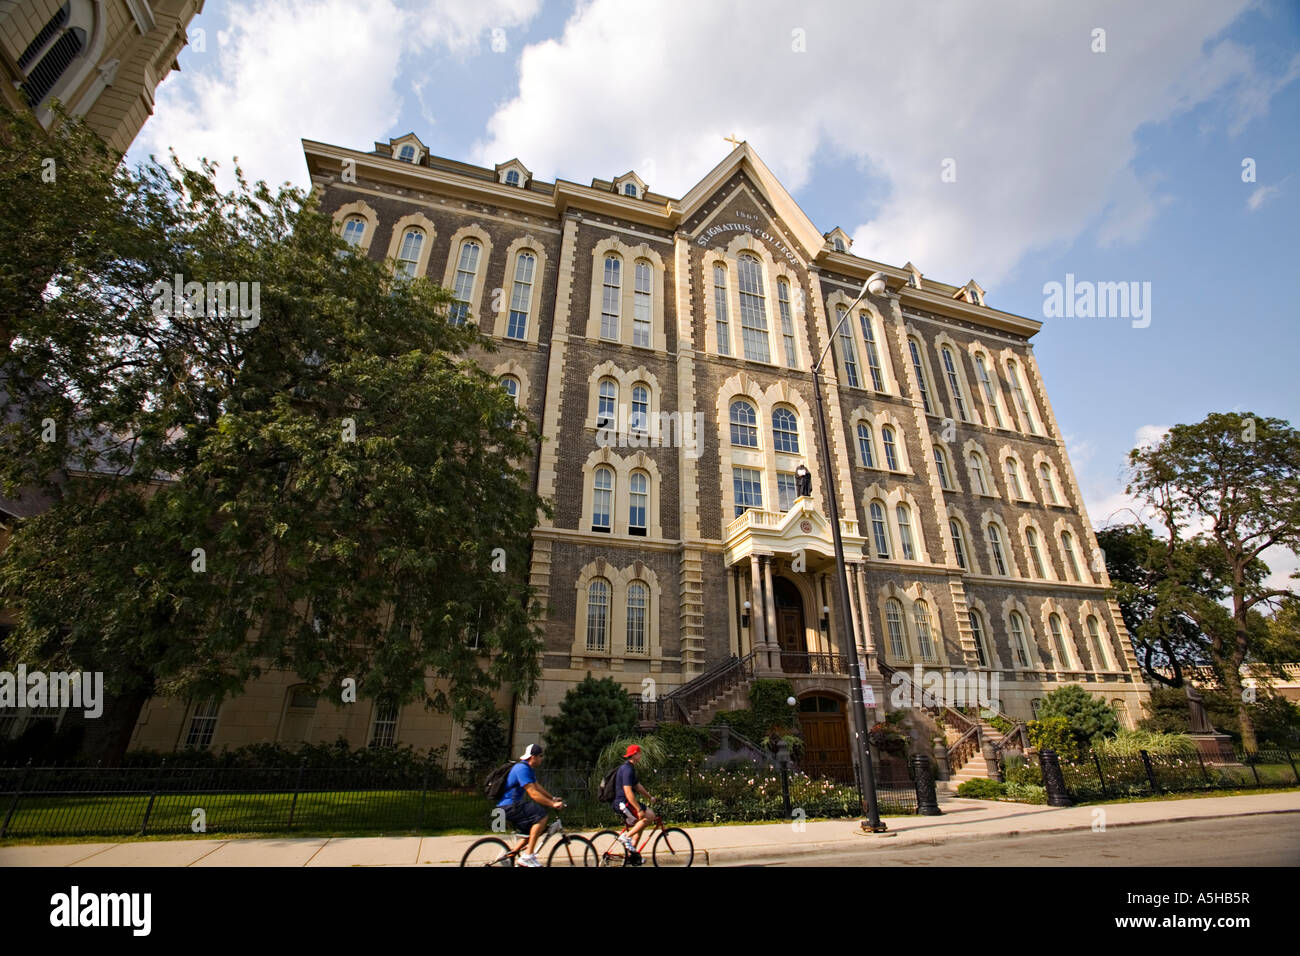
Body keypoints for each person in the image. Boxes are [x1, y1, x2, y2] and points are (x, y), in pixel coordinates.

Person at [497, 743, 564, 867]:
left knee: (531, 832)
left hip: (511, 806)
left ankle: (509, 857)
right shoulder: (522, 768)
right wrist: (552, 805)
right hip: (509, 806)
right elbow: (533, 793)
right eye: (540, 756)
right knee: (541, 815)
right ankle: (527, 857)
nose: (542, 758)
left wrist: (552, 798)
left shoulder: (528, 769)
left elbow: (537, 786)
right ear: (533, 757)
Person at [611, 743, 655, 855]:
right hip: (623, 803)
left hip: (625, 803)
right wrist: (639, 809)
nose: (641, 755)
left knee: (641, 822)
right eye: (639, 753)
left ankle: (633, 854)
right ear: (634, 754)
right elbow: (628, 792)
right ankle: (626, 837)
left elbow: (638, 786)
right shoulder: (627, 769)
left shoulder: (629, 768)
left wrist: (650, 797)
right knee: (649, 817)